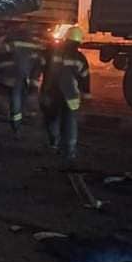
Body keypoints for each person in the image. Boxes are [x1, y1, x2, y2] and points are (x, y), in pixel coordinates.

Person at [39, 25, 91, 162]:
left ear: (66, 39)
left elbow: (40, 66)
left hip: (51, 93)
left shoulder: (51, 52)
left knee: (52, 119)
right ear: (78, 42)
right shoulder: (80, 58)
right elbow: (85, 78)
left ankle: (54, 144)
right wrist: (86, 95)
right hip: (71, 96)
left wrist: (36, 88)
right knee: (70, 122)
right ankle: (70, 152)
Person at [0, 26, 46, 134]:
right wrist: (34, 84)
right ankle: (21, 118)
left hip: (12, 76)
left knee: (15, 99)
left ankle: (16, 126)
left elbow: (0, 57)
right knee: (22, 97)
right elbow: (38, 65)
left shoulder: (11, 42)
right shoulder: (35, 45)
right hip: (25, 76)